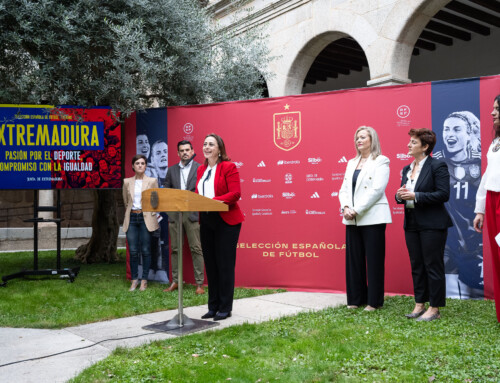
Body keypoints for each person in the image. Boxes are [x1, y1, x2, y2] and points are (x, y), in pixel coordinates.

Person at [396, 128, 452, 321]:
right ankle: (420, 303)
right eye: (409, 141)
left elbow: (443, 194)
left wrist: (416, 196)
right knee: (417, 264)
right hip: (411, 223)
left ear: (425, 146)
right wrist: (399, 195)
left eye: (413, 142)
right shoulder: (406, 169)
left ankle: (434, 308)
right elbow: (404, 194)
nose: (408, 145)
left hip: (433, 224)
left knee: (432, 265)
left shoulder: (438, 166)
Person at [338, 126, 392, 311]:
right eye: (357, 138)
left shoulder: (381, 161)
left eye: (363, 137)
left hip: (373, 217)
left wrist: (356, 209)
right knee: (354, 260)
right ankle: (355, 299)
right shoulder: (351, 162)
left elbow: (377, 190)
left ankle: (374, 302)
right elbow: (344, 188)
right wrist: (345, 207)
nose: (358, 140)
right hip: (351, 218)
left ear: (372, 140)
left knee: (374, 260)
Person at [434, 111, 483, 299]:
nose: (450, 134)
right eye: (446, 129)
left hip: (476, 242)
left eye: (456, 129)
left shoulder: (480, 163)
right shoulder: (437, 163)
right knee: (449, 292)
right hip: (447, 240)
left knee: (476, 294)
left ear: (469, 133)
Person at [196, 133, 244, 321]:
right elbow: (198, 194)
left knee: (224, 265)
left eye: (211, 144)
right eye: (205, 144)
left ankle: (225, 307)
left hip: (226, 221)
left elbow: (235, 193)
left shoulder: (228, 167)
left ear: (219, 149)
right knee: (211, 265)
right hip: (207, 220)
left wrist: (211, 202)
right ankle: (212, 307)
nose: (207, 147)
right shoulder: (201, 169)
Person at [163, 140, 205, 295]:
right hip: (175, 214)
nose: (185, 152)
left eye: (187, 150)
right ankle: (175, 281)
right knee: (175, 249)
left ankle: (200, 284)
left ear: (193, 151)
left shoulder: (200, 168)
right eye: (182, 150)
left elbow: (203, 190)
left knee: (196, 248)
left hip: (192, 213)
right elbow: (166, 191)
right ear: (178, 153)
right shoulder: (171, 170)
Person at [473, 94, 500, 322]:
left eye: (497, 109)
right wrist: (480, 209)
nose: (492, 113)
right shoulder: (494, 143)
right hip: (492, 200)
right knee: (497, 254)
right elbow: (487, 176)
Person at [122, 154, 160, 291]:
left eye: (142, 163)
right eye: (137, 163)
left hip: (146, 219)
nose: (139, 165)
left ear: (146, 166)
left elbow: (156, 201)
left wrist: (152, 214)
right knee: (133, 251)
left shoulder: (152, 181)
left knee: (145, 250)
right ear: (133, 166)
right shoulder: (127, 182)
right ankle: (134, 280)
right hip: (132, 218)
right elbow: (126, 201)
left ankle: (144, 280)